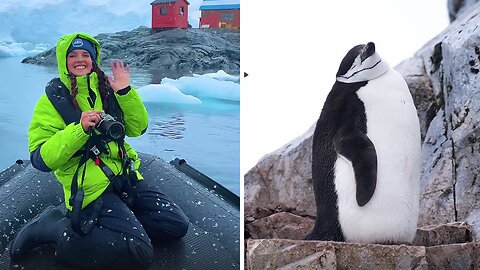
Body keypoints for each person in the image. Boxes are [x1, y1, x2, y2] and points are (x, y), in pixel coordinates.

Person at [10, 32, 189, 269]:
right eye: (73, 55)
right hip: (90, 185)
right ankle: (54, 227)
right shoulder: (53, 100)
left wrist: (125, 92)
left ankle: (120, 224)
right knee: (138, 251)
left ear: (94, 59)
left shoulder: (107, 89)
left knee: (175, 225)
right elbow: (41, 159)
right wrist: (79, 130)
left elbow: (139, 128)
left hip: (123, 175)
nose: (80, 59)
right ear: (64, 61)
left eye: (86, 54)